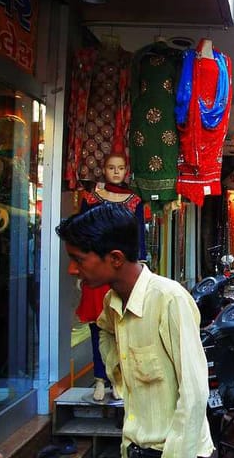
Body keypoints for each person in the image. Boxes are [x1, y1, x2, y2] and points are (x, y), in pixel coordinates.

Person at [56, 204, 213, 458]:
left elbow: (194, 393)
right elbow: (105, 332)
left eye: (78, 260)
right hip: (132, 446)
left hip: (174, 450)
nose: (72, 270)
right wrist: (117, 370)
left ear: (115, 258)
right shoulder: (111, 302)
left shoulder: (169, 300)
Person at [76, 152, 145, 401]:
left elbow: (138, 238)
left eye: (120, 168)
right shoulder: (91, 198)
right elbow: (81, 235)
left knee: (120, 328)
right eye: (111, 167)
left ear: (126, 171)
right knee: (98, 328)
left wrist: (140, 270)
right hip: (96, 272)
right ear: (103, 170)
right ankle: (98, 379)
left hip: (121, 273)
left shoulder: (134, 200)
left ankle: (117, 378)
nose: (115, 172)